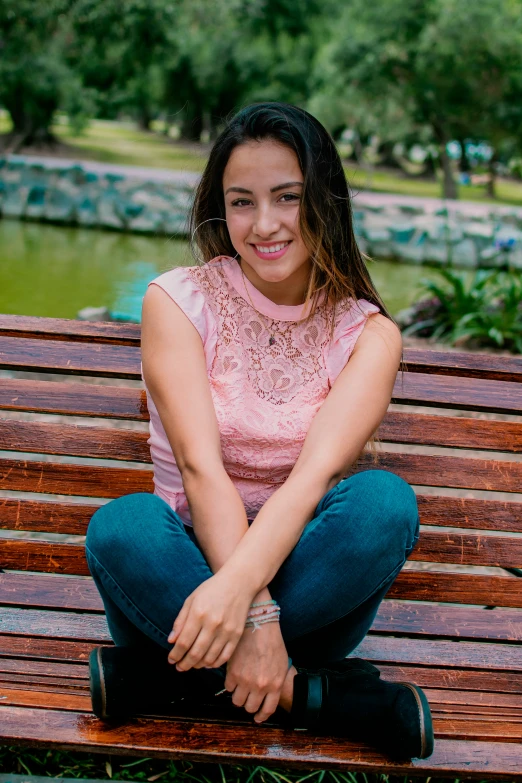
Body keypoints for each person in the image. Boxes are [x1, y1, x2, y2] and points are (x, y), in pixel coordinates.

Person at [86, 102, 433, 761]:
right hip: (182, 586)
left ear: (324, 200)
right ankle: (314, 697)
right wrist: (250, 612)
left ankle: (170, 685)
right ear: (220, 209)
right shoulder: (178, 302)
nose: (265, 224)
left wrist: (258, 604)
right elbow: (198, 467)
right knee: (122, 526)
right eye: (242, 202)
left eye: (288, 197)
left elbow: (314, 481)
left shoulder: (369, 335)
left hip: (303, 585)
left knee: (384, 504)